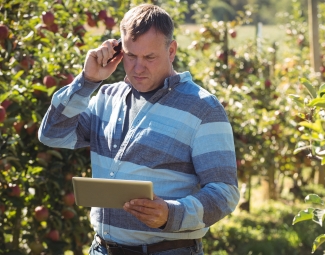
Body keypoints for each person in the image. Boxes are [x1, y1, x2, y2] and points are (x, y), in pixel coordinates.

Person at [38, 4, 239, 255]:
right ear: (119, 52)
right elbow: (52, 134)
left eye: (149, 57)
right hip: (102, 249)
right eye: (131, 56)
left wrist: (170, 213)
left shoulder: (202, 108)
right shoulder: (107, 98)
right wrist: (87, 81)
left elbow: (224, 192)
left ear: (172, 50)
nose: (138, 67)